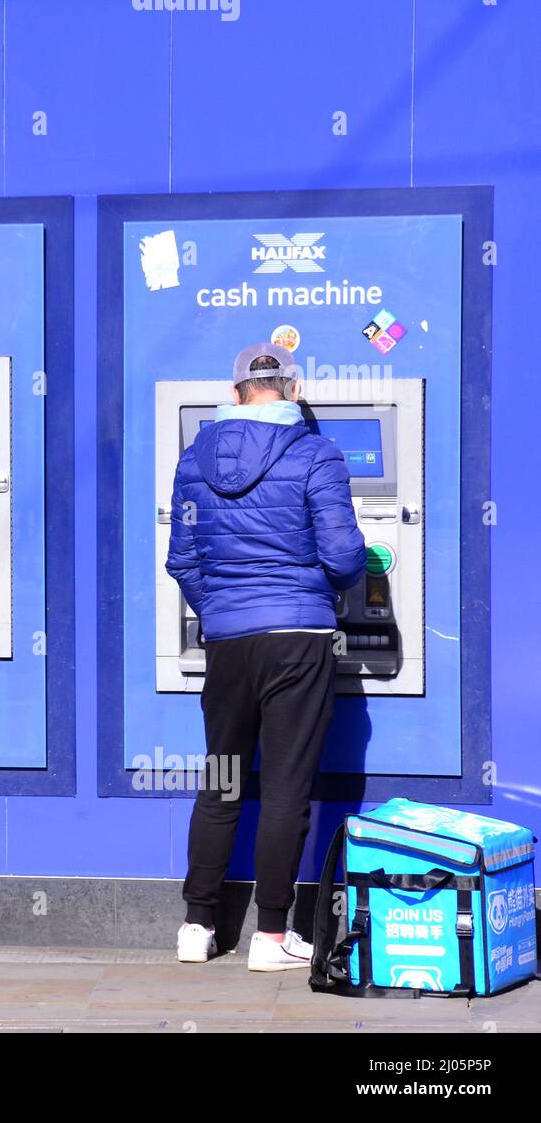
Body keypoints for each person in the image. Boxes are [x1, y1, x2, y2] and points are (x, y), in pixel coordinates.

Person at [165, 342, 366, 971]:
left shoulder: (194, 460)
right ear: (294, 387)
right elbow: (344, 558)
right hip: (298, 641)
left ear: (234, 393)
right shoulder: (315, 453)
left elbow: (183, 561)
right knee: (284, 787)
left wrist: (224, 609)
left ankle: (197, 927)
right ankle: (273, 937)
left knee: (222, 779)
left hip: (228, 642)